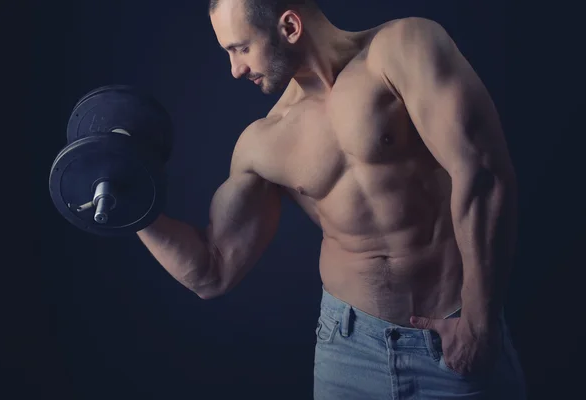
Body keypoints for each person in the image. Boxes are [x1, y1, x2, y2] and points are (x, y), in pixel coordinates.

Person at [137, 0, 527, 398]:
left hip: (452, 339)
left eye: (240, 48)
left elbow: (482, 175)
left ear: (289, 26)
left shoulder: (402, 50)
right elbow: (213, 270)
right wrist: (132, 204)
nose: (235, 69)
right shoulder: (263, 142)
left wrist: (480, 322)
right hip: (348, 354)